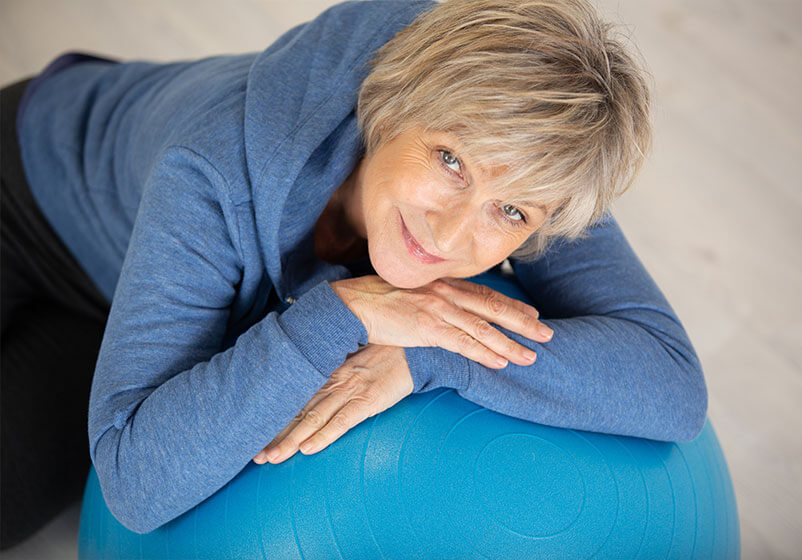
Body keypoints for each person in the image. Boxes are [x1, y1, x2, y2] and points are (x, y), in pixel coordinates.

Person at [0, 0, 708, 547]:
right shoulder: (213, 171)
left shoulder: (533, 163)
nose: (454, 234)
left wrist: (433, 351)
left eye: (512, 213)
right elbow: (134, 483)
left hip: (114, 298)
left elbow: (671, 384)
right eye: (449, 162)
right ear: (392, 106)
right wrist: (340, 314)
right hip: (23, 198)